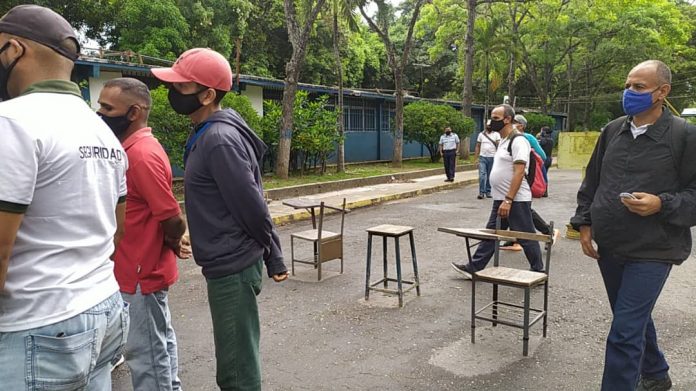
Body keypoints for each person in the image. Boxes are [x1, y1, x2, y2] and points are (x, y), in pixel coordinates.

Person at [0, 5, 129, 389]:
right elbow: (116, 235)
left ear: (13, 49)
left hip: (37, 324)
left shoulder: (12, 122)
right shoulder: (102, 130)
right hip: (104, 306)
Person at [152, 48, 289, 391]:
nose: (172, 93)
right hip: (225, 260)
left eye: (181, 87)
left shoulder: (218, 140)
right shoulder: (204, 131)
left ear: (208, 94)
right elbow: (222, 200)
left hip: (233, 266)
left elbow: (252, 206)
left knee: (236, 371)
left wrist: (274, 256)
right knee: (235, 360)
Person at [571, 60, 696, 391]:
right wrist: (584, 223)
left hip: (654, 248)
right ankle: (655, 373)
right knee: (632, 319)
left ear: (662, 92)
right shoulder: (613, 130)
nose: (629, 92)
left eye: (639, 87)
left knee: (625, 330)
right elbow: (592, 180)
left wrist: (661, 203)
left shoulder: (685, 136)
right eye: (628, 86)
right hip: (611, 246)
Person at [98, 77, 191, 391]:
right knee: (159, 342)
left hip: (140, 273)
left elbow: (172, 217)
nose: (100, 113)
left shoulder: (140, 155)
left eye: (107, 107)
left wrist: (173, 238)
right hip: (140, 270)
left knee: (146, 354)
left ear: (134, 112)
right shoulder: (133, 149)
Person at [451, 104, 543, 277]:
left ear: (507, 119)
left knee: (525, 235)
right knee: (491, 233)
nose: (491, 122)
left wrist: (508, 199)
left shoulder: (518, 140)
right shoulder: (504, 140)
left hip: (515, 199)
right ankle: (475, 267)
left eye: (495, 119)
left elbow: (520, 171)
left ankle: (538, 270)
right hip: (501, 198)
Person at [474, 119, 500, 199]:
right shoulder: (481, 135)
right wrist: (476, 157)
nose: (489, 127)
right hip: (483, 157)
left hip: (492, 157)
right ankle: (481, 192)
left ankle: (488, 191)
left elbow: (498, 146)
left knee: (490, 175)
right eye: (488, 125)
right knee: (482, 175)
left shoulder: (496, 134)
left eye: (490, 126)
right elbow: (478, 146)